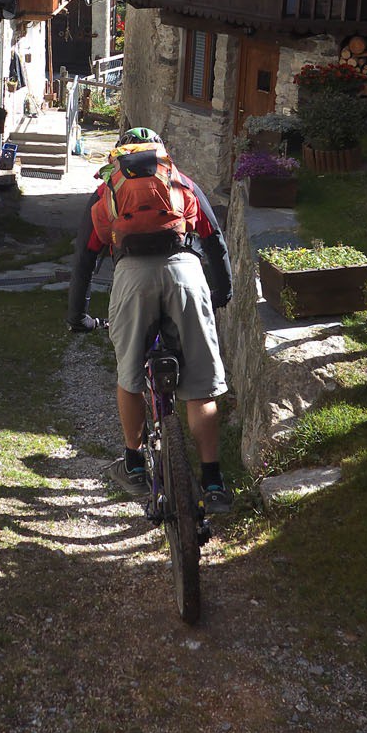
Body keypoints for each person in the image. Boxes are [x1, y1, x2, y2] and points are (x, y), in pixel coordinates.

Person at [67, 127, 233, 512]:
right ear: (161, 154)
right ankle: (213, 480)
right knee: (201, 386)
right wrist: (222, 292)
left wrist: (78, 317)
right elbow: (214, 239)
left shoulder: (106, 192)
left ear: (120, 157)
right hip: (185, 275)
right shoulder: (181, 182)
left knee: (130, 375)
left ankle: (135, 465)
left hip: (132, 281)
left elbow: (83, 261)